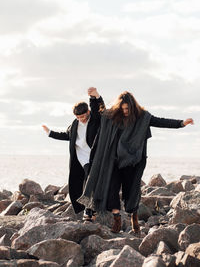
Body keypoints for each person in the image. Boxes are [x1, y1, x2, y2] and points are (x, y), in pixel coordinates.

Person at [78, 91, 194, 233]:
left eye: (127, 109)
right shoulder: (113, 116)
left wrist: (181, 123)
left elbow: (160, 121)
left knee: (131, 190)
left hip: (132, 161)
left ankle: (134, 215)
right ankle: (117, 220)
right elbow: (99, 110)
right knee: (112, 189)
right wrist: (95, 97)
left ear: (133, 107)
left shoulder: (142, 117)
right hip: (113, 161)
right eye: (123, 109)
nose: (125, 111)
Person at [42, 87, 104, 221]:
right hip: (80, 158)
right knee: (79, 184)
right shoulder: (75, 124)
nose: (81, 119)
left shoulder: (94, 120)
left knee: (89, 182)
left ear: (87, 112)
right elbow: (67, 135)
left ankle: (89, 210)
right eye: (78, 117)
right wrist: (50, 133)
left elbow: (98, 110)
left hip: (93, 157)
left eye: (83, 116)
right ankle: (88, 209)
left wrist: (95, 97)